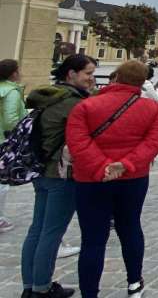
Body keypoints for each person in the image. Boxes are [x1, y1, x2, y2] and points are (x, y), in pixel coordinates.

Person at [65, 60, 158, 298]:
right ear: (143, 82)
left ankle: (90, 293)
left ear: (115, 77)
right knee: (130, 228)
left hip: (92, 179)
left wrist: (103, 167)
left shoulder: (86, 106)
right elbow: (154, 142)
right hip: (133, 178)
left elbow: (77, 143)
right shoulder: (152, 109)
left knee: (93, 239)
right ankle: (134, 283)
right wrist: (127, 164)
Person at [21, 54, 96, 298]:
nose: (91, 79)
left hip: (41, 169)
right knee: (52, 232)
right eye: (88, 73)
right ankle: (42, 289)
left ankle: (30, 285)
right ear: (71, 74)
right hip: (61, 173)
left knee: (37, 228)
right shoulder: (73, 103)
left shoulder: (50, 95)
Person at [0, 58, 25, 233]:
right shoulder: (11, 91)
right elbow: (10, 120)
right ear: (14, 73)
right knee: (1, 183)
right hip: (3, 140)